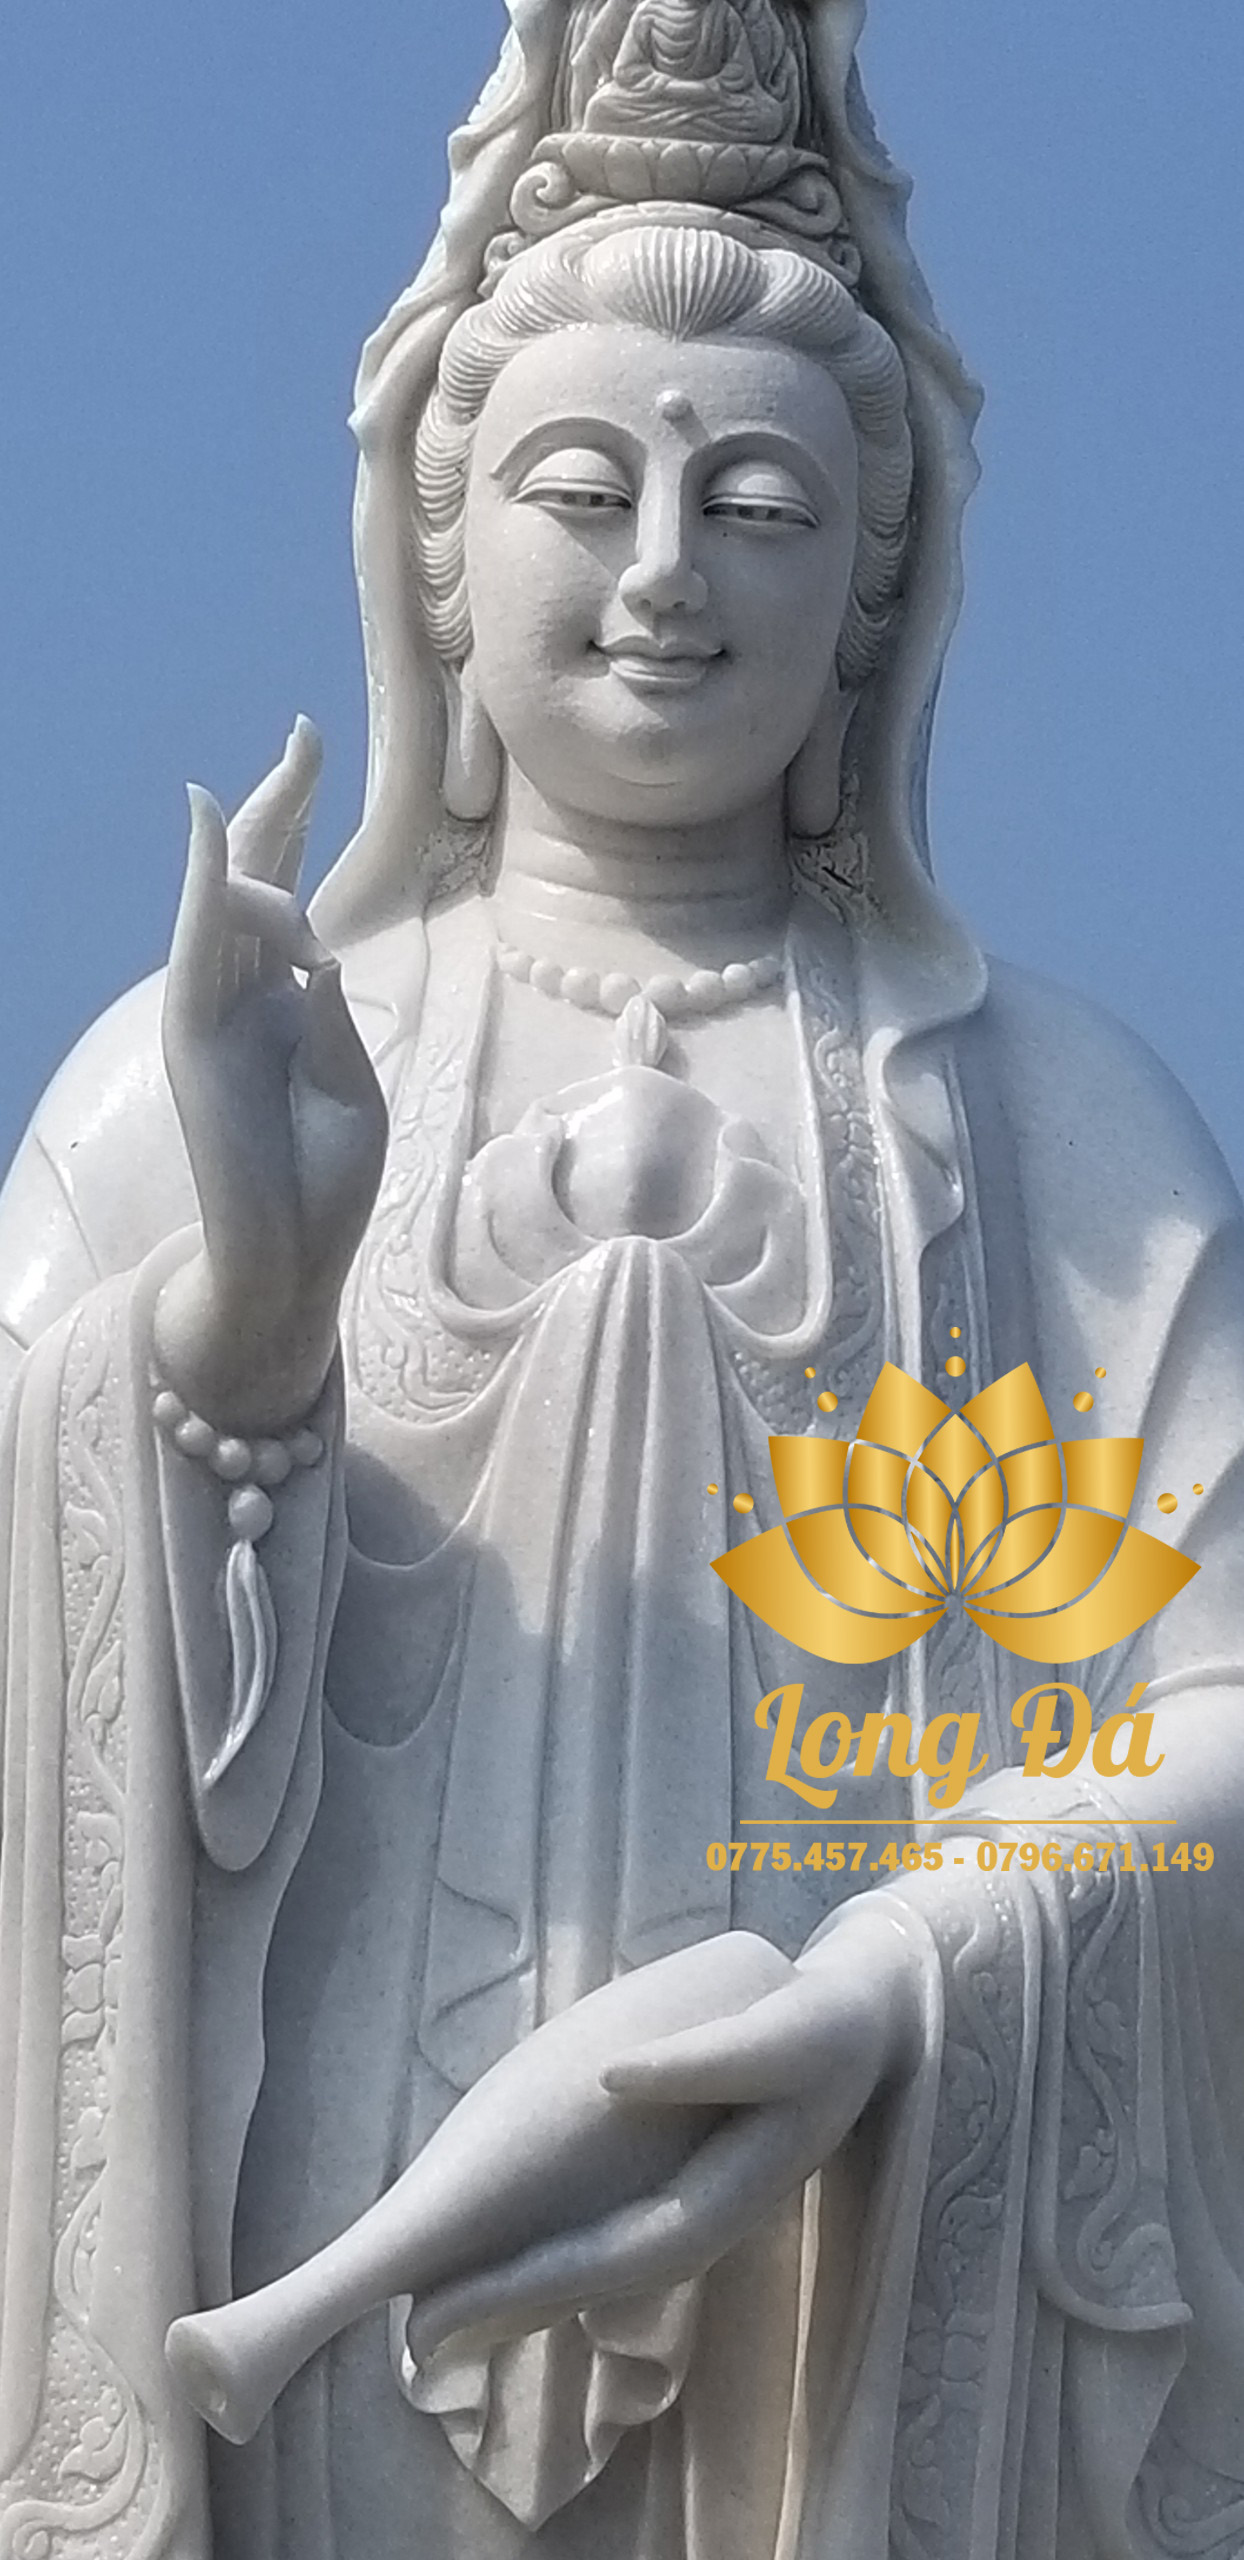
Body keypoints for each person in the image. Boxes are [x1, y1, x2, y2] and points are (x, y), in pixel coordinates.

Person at [3, 4, 1244, 2555]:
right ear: (439, 554)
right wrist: (234, 1333)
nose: (668, 569)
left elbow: (1218, 1688)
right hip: (320, 2263)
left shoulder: (1058, 1124)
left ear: (872, 593)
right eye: (586, 488)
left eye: (760, 503)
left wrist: (910, 1967)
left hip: (844, 2248)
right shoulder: (197, 1068)